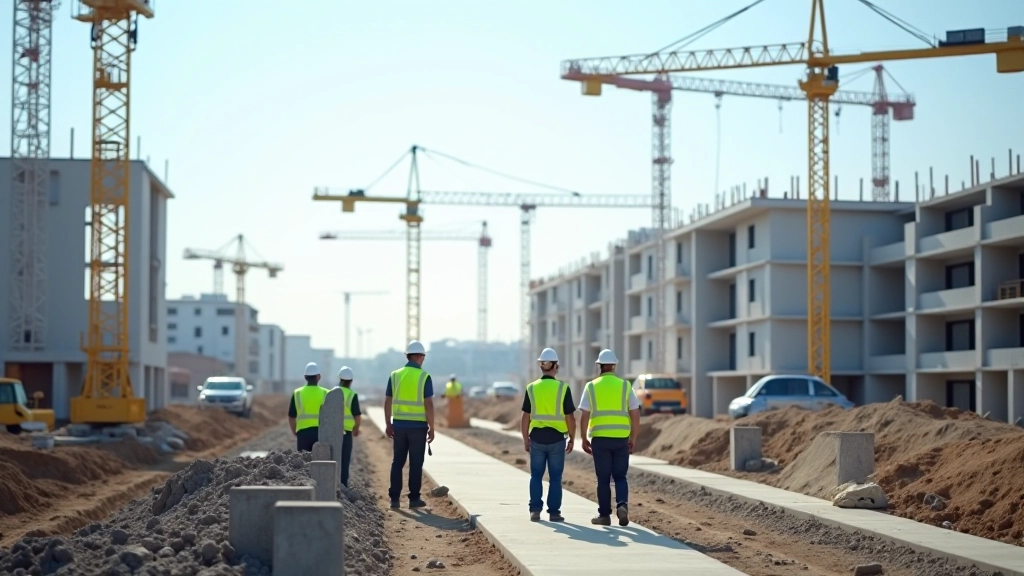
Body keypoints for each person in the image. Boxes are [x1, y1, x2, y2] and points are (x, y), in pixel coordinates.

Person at [578, 349, 640, 527]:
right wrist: (633, 437)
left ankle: (604, 515)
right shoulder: (625, 386)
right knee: (620, 476)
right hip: (621, 438)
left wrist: (583, 438)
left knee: (603, 479)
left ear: (599, 366)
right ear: (614, 366)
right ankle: (622, 505)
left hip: (600, 439)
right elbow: (635, 414)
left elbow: (584, 415)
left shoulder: (591, 386)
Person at [521, 347, 576, 523]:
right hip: (557, 440)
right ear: (555, 366)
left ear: (541, 366)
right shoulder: (563, 388)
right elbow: (570, 417)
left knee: (536, 475)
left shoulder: (531, 388)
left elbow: (525, 417)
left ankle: (535, 510)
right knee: (555, 477)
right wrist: (572, 438)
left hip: (537, 439)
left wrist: (525, 439)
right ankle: (554, 513)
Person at [384, 340, 435, 509]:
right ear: (419, 356)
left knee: (397, 462)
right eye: (423, 357)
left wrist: (388, 424)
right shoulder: (424, 377)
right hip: (418, 428)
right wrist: (432, 427)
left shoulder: (394, 375)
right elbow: (429, 405)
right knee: (416, 463)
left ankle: (394, 499)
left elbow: (387, 401)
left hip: (398, 426)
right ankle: (414, 499)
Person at [288, 362, 329, 452]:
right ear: (318, 377)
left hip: (303, 434)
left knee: (304, 459)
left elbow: (291, 417)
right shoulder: (326, 393)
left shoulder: (297, 393)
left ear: (305, 377)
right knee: (321, 458)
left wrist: (295, 431)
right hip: (321, 434)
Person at [336, 365, 362, 488]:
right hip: (346, 433)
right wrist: (356, 429)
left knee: (333, 459)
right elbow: (357, 416)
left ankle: (331, 482)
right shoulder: (352, 395)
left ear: (339, 379)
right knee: (345, 460)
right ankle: (343, 485)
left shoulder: (331, 392)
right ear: (351, 381)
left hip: (332, 431)